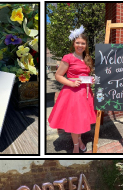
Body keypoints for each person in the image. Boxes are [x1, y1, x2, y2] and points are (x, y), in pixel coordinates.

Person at [48, 25, 96, 153]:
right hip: (73, 94)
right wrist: (70, 83)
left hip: (85, 94)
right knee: (76, 122)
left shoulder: (87, 58)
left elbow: (86, 75)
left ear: (86, 45)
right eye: (78, 43)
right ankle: (75, 146)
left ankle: (79, 140)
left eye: (83, 43)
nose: (80, 45)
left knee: (80, 121)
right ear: (73, 43)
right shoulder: (68, 57)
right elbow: (58, 75)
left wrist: (92, 80)